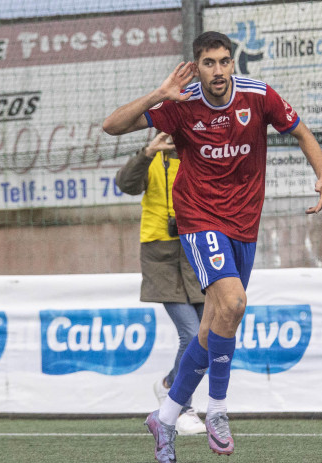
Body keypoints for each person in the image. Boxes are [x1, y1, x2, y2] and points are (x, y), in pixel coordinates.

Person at [103, 31, 322, 462]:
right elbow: (111, 126)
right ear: (197, 66)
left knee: (213, 327)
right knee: (235, 302)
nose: (220, 70)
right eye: (210, 63)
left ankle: (165, 417)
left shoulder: (259, 96)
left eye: (225, 61)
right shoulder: (180, 104)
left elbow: (303, 134)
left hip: (244, 225)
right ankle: (218, 410)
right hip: (198, 219)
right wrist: (158, 94)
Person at [114, 132, 206, 436]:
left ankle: (168, 384)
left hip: (197, 250)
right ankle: (183, 406)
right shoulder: (152, 157)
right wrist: (149, 151)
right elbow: (126, 184)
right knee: (191, 335)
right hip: (161, 255)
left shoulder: (199, 153)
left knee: (208, 336)